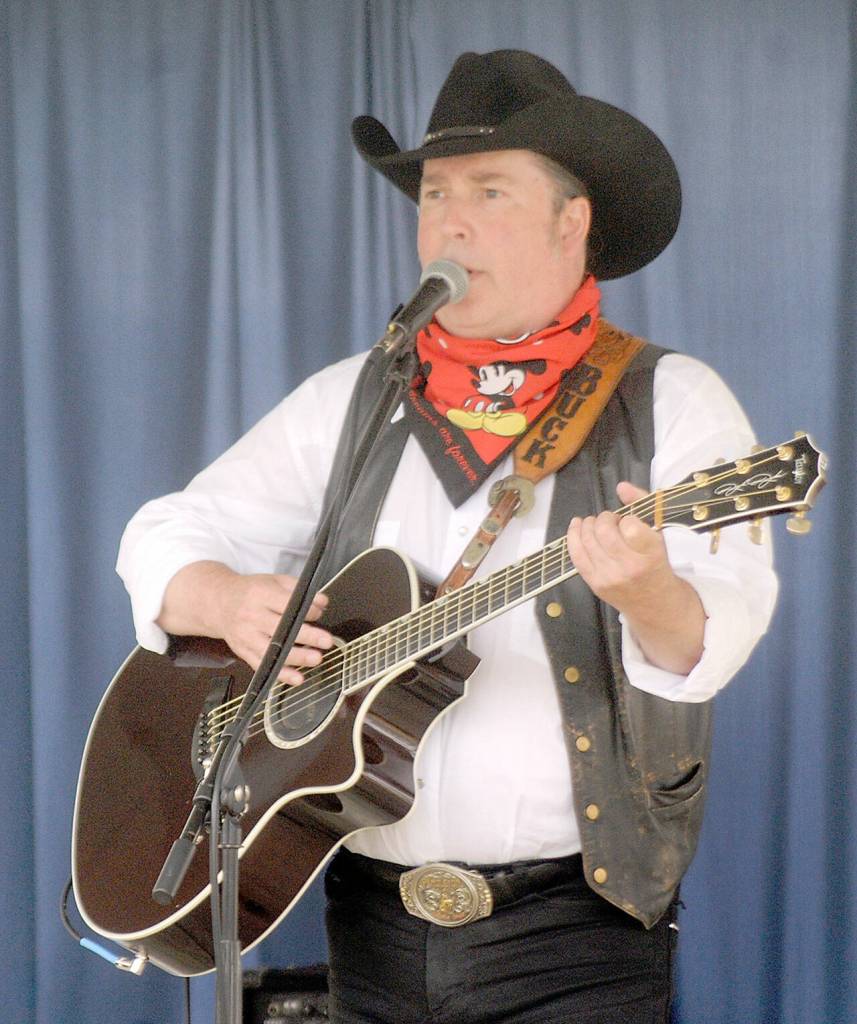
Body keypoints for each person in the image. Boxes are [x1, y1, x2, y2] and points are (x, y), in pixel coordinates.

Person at [118, 50, 777, 1023]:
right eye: (433, 194)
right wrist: (223, 599)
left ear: (572, 221)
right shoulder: (355, 398)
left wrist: (647, 592)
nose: (450, 222)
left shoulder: (670, 401)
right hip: (369, 928)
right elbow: (163, 532)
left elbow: (717, 628)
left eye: (489, 190)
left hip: (576, 934)